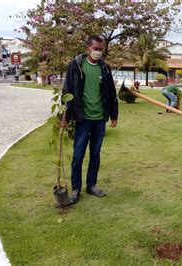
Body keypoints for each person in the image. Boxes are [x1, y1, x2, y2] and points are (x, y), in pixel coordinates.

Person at [61, 35, 118, 205]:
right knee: (78, 155)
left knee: (95, 154)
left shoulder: (104, 68)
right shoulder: (77, 65)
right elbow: (67, 90)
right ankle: (76, 189)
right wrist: (64, 116)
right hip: (83, 118)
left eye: (101, 49)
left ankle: (91, 185)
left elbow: (111, 93)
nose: (99, 52)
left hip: (99, 119)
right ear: (88, 49)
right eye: (96, 49)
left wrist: (114, 115)